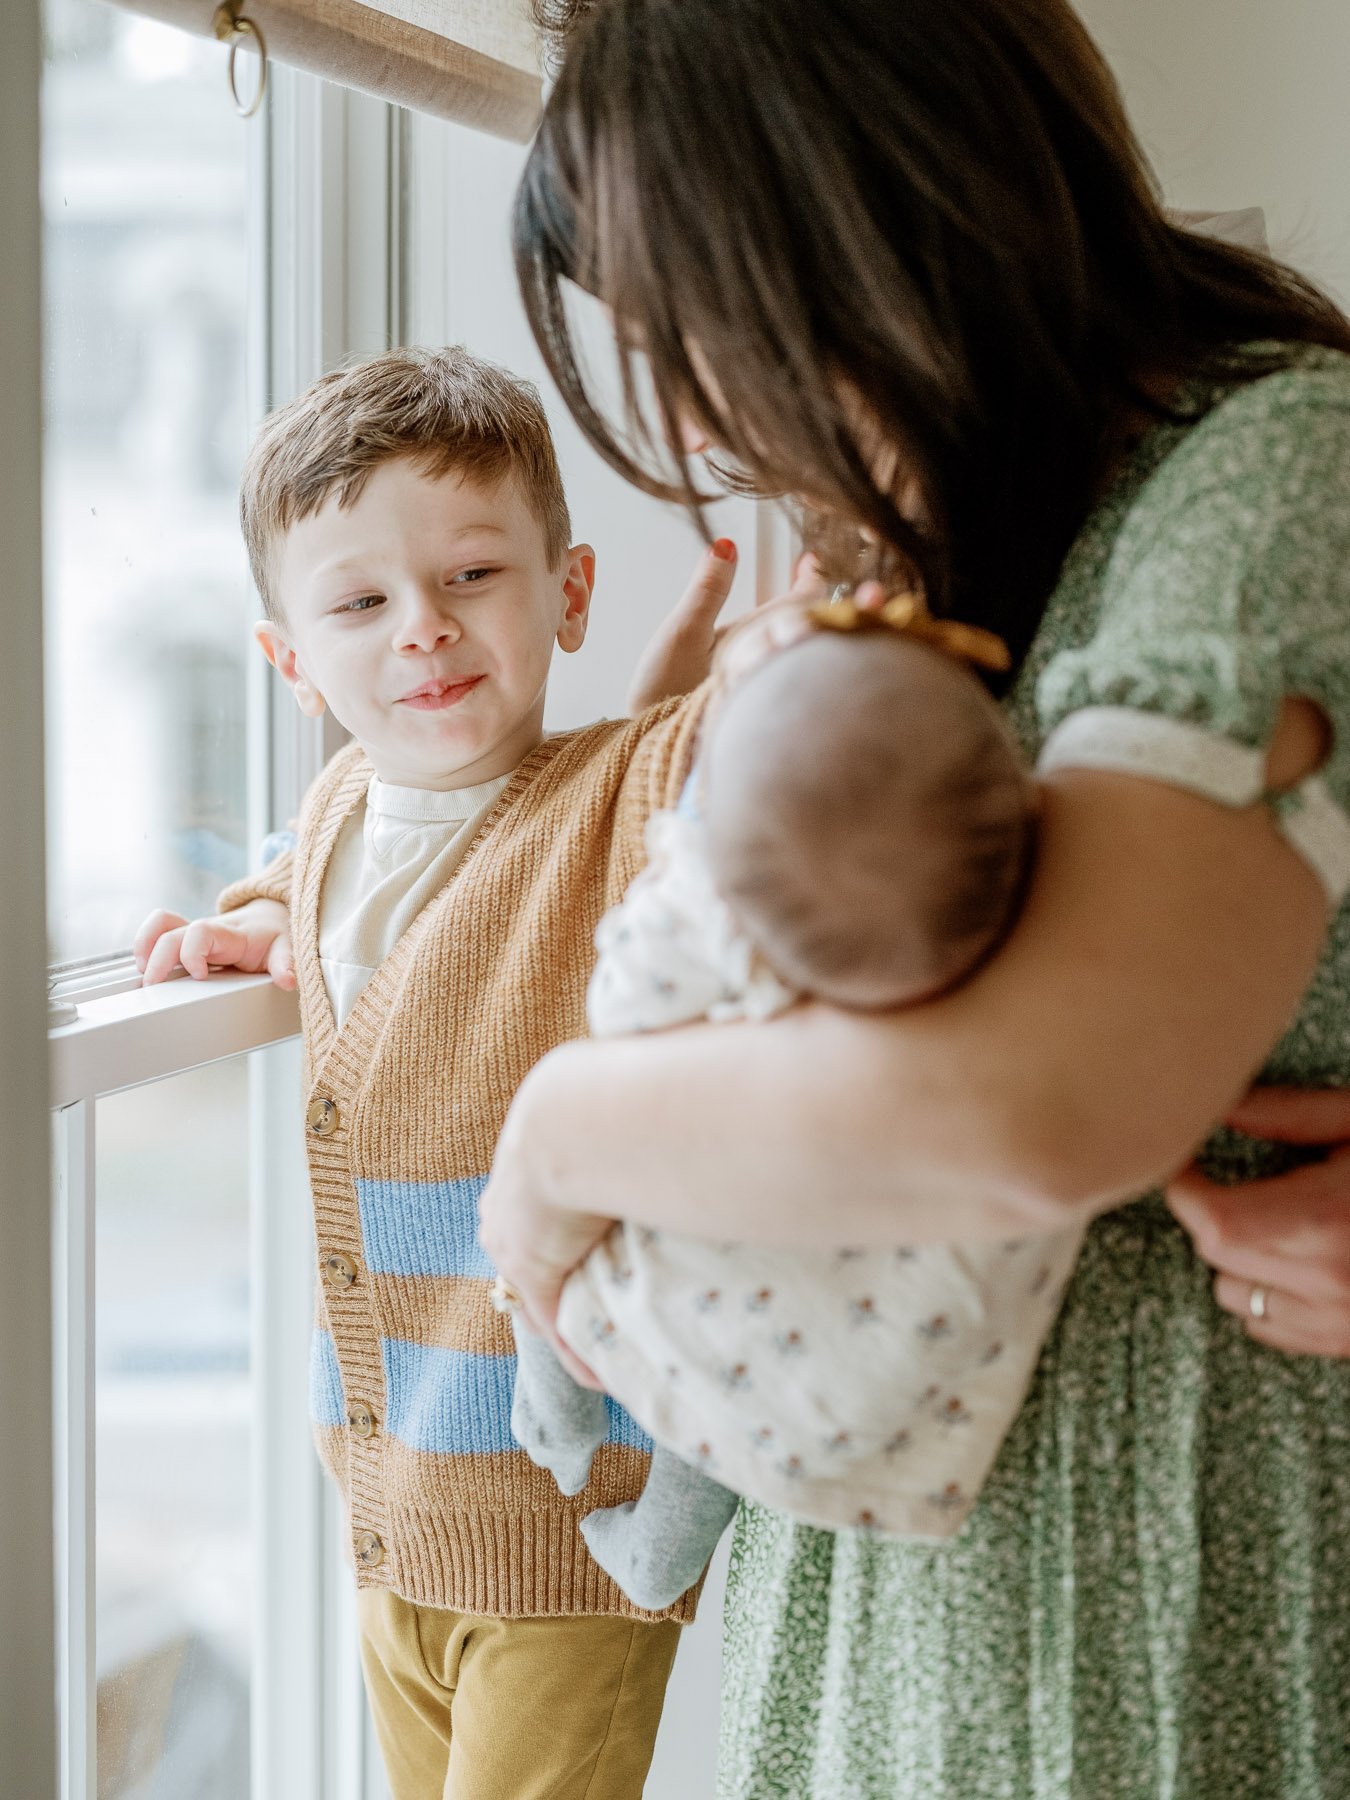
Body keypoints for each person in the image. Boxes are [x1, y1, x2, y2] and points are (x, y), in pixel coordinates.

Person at [480, 1, 1350, 1794]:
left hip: (1178, 1615)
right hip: (907, 1639)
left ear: (855, 228)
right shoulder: (946, 553)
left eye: (698, 341)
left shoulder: (1274, 475)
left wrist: (555, 1135)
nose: (718, 430)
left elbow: (1023, 1107)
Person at [133, 345, 741, 1800]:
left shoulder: (619, 794)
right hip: (385, 1497)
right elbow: (367, 897)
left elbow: (712, 766)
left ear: (569, 595)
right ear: (290, 663)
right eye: (358, 604)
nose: (421, 629)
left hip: (564, 1525)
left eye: (473, 576)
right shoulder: (340, 801)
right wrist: (251, 923)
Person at [507, 600, 1077, 1613]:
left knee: (554, 1260)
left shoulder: (721, 919)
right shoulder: (1004, 970)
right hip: (851, 1368)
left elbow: (621, 1005)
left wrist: (687, 839)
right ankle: (659, 1555)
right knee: (734, 1403)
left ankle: (552, 1417)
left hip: (701, 1273)